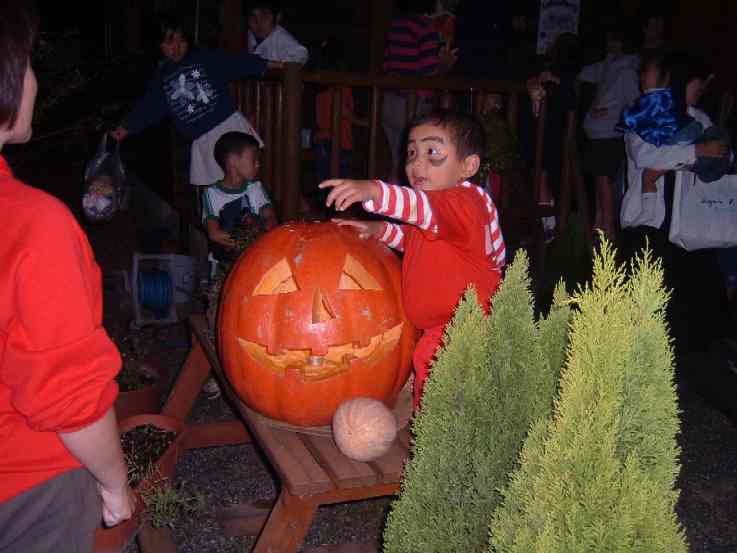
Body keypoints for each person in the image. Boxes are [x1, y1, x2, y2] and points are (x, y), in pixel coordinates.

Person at [0, 5, 136, 553]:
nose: (34, 77)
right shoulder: (33, 225)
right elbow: (69, 399)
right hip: (29, 491)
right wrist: (115, 486)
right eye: (27, 61)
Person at [319, 110, 506, 408]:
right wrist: (379, 229)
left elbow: (418, 208)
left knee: (448, 402)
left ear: (468, 165)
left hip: (466, 329)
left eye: (433, 153)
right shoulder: (438, 215)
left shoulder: (464, 203)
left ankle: (439, 444)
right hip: (442, 327)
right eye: (411, 152)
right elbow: (413, 239)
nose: (417, 164)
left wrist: (374, 191)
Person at [620, 53, 731, 354]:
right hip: (648, 220)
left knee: (691, 310)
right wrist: (695, 152)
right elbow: (646, 158)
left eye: (649, 73)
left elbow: (718, 154)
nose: (643, 79)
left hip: (686, 223)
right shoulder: (640, 116)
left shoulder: (697, 118)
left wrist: (710, 154)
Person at [111, 14, 280, 188]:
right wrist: (127, 127)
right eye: (169, 42)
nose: (177, 47)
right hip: (203, 141)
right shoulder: (161, 78)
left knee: (251, 177)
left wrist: (265, 64)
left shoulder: (203, 57)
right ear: (158, 45)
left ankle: (267, 209)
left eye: (181, 40)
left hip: (230, 128)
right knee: (218, 188)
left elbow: (234, 63)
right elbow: (149, 108)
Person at [618, 50, 731, 183]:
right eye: (697, 85)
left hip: (688, 199)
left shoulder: (699, 117)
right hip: (647, 201)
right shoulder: (643, 114)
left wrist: (721, 151)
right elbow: (643, 156)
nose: (701, 90)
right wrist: (697, 150)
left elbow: (721, 151)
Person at [382, 0, 458, 180]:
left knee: (398, 160)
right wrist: (445, 65)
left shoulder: (396, 25)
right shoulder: (424, 26)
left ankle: (392, 203)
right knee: (412, 161)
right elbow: (428, 71)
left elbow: (386, 64)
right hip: (412, 102)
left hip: (390, 100)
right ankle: (407, 204)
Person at [578, 27, 640, 240]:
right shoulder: (607, 65)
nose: (611, 45)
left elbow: (634, 102)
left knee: (604, 181)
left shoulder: (628, 70)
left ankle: (607, 230)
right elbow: (585, 73)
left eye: (616, 41)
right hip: (598, 130)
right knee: (599, 180)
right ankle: (600, 226)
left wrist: (616, 115)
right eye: (610, 41)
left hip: (610, 132)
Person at [202, 131, 277, 262]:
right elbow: (214, 234)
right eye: (254, 159)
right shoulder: (211, 194)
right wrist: (246, 245)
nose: (258, 164)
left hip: (255, 259)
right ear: (233, 161)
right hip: (223, 266)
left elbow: (270, 218)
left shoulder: (255, 188)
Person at [312, 37, 368, 186]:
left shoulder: (320, 88)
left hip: (322, 139)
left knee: (324, 181)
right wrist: (364, 122)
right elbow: (343, 111)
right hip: (339, 141)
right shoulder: (341, 86)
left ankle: (324, 204)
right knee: (339, 181)